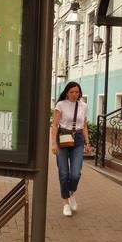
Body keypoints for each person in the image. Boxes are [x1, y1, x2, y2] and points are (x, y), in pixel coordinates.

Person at [51, 81, 91, 216]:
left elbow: (84, 126)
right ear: (67, 93)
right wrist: (53, 143)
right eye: (72, 92)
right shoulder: (61, 105)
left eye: (77, 92)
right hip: (63, 137)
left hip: (78, 139)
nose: (75, 94)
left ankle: (71, 192)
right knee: (64, 173)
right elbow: (55, 125)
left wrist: (87, 143)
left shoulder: (83, 106)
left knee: (75, 173)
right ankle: (66, 203)